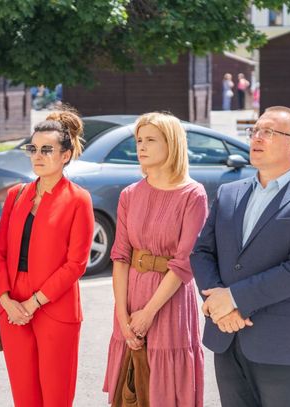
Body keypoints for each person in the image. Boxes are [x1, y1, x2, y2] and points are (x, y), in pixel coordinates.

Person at [191, 106, 290, 407]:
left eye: (268, 132)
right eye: (255, 130)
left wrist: (233, 299)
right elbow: (202, 252)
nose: (257, 137)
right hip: (226, 335)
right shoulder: (229, 193)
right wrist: (219, 305)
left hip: (280, 342)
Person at [103, 112, 208, 406]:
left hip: (169, 301)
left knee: (165, 391)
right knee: (129, 389)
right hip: (130, 297)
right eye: (139, 140)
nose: (142, 147)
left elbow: (184, 262)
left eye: (150, 140)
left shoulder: (193, 195)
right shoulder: (129, 194)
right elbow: (120, 256)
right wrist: (123, 317)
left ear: (171, 144)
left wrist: (148, 313)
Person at [0, 109, 94, 407]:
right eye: (33, 148)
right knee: (24, 397)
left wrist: (34, 302)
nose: (37, 156)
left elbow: (76, 264)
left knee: (56, 397)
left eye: (47, 149)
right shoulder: (16, 195)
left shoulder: (78, 199)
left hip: (55, 307)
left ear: (65, 155)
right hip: (13, 308)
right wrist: (5, 300)